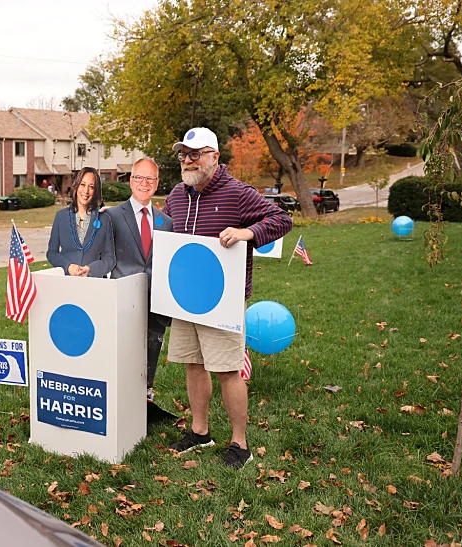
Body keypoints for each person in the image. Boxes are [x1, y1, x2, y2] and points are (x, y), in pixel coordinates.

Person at [162, 127, 292, 468]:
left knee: (227, 370)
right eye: (183, 155)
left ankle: (240, 444)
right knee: (193, 364)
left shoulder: (237, 193)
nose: (188, 161)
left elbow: (281, 219)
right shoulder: (176, 195)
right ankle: (200, 432)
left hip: (222, 301)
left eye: (195, 154)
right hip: (183, 299)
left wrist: (247, 232)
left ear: (215, 157)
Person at [105, 158, 173, 403]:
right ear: (131, 181)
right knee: (123, 353)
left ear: (157, 183)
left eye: (150, 178)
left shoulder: (166, 222)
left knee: (150, 353)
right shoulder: (111, 215)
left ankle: (146, 396)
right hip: (123, 300)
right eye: (139, 177)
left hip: (155, 302)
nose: (144, 183)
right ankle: (120, 398)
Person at [47, 167, 115, 278]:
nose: (86, 191)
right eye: (83, 185)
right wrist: (68, 266)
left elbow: (110, 259)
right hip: (68, 282)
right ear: (76, 186)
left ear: (96, 191)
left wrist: (91, 269)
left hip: (94, 282)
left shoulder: (104, 219)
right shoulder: (61, 216)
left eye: (91, 187)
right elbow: (52, 253)